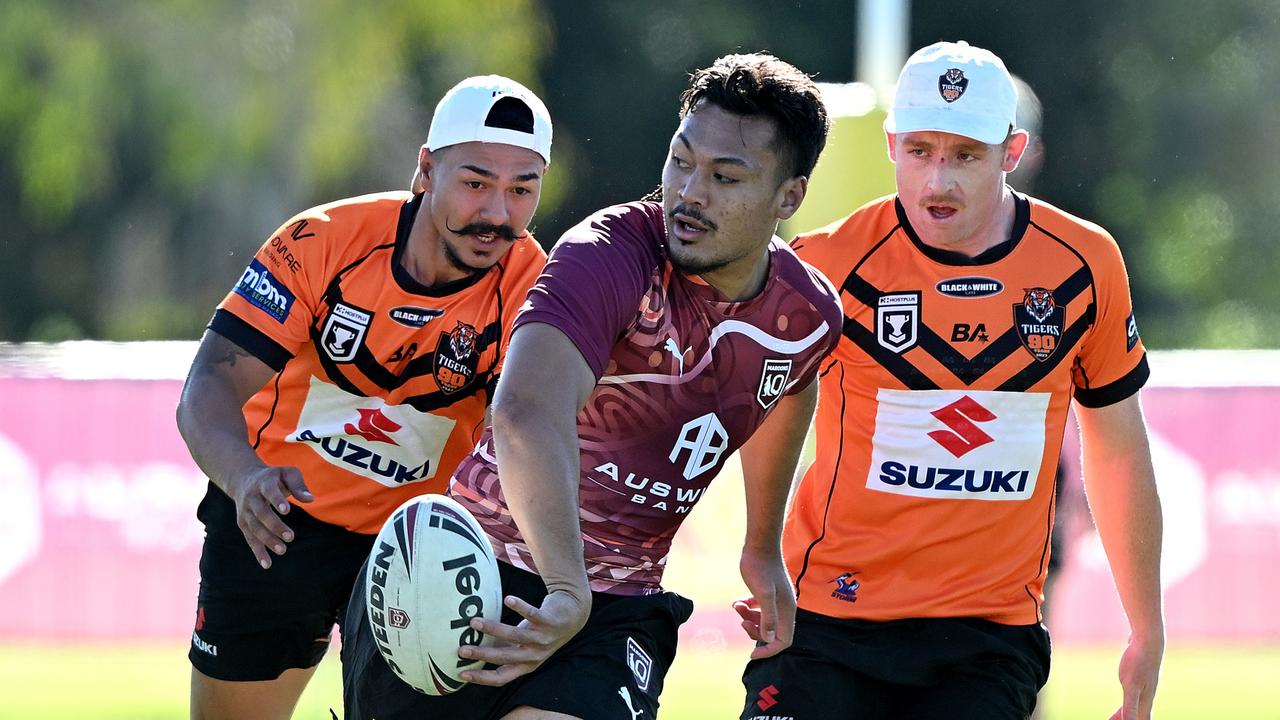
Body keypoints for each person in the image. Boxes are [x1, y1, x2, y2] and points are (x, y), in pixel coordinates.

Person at [341, 51, 844, 720]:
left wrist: (762, 547)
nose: (690, 193)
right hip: (464, 575)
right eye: (681, 161)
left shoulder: (806, 314)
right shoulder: (606, 254)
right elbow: (524, 410)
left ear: (790, 196)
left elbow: (788, 383)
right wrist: (564, 586)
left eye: (726, 177)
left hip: (616, 613)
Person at [738, 41, 1164, 720]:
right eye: (920, 152)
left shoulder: (1085, 265)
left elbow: (1116, 449)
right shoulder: (824, 264)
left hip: (986, 642)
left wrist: (1145, 627)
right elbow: (762, 408)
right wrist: (763, 556)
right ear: (890, 144)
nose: (938, 181)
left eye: (965, 156)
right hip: (825, 622)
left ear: (1013, 152)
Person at [175, 75, 553, 720]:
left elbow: (536, 437)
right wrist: (244, 478)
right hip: (275, 523)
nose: (497, 213)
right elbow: (209, 385)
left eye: (522, 189)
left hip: (420, 547)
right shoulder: (326, 241)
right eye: (475, 182)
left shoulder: (534, 288)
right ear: (426, 170)